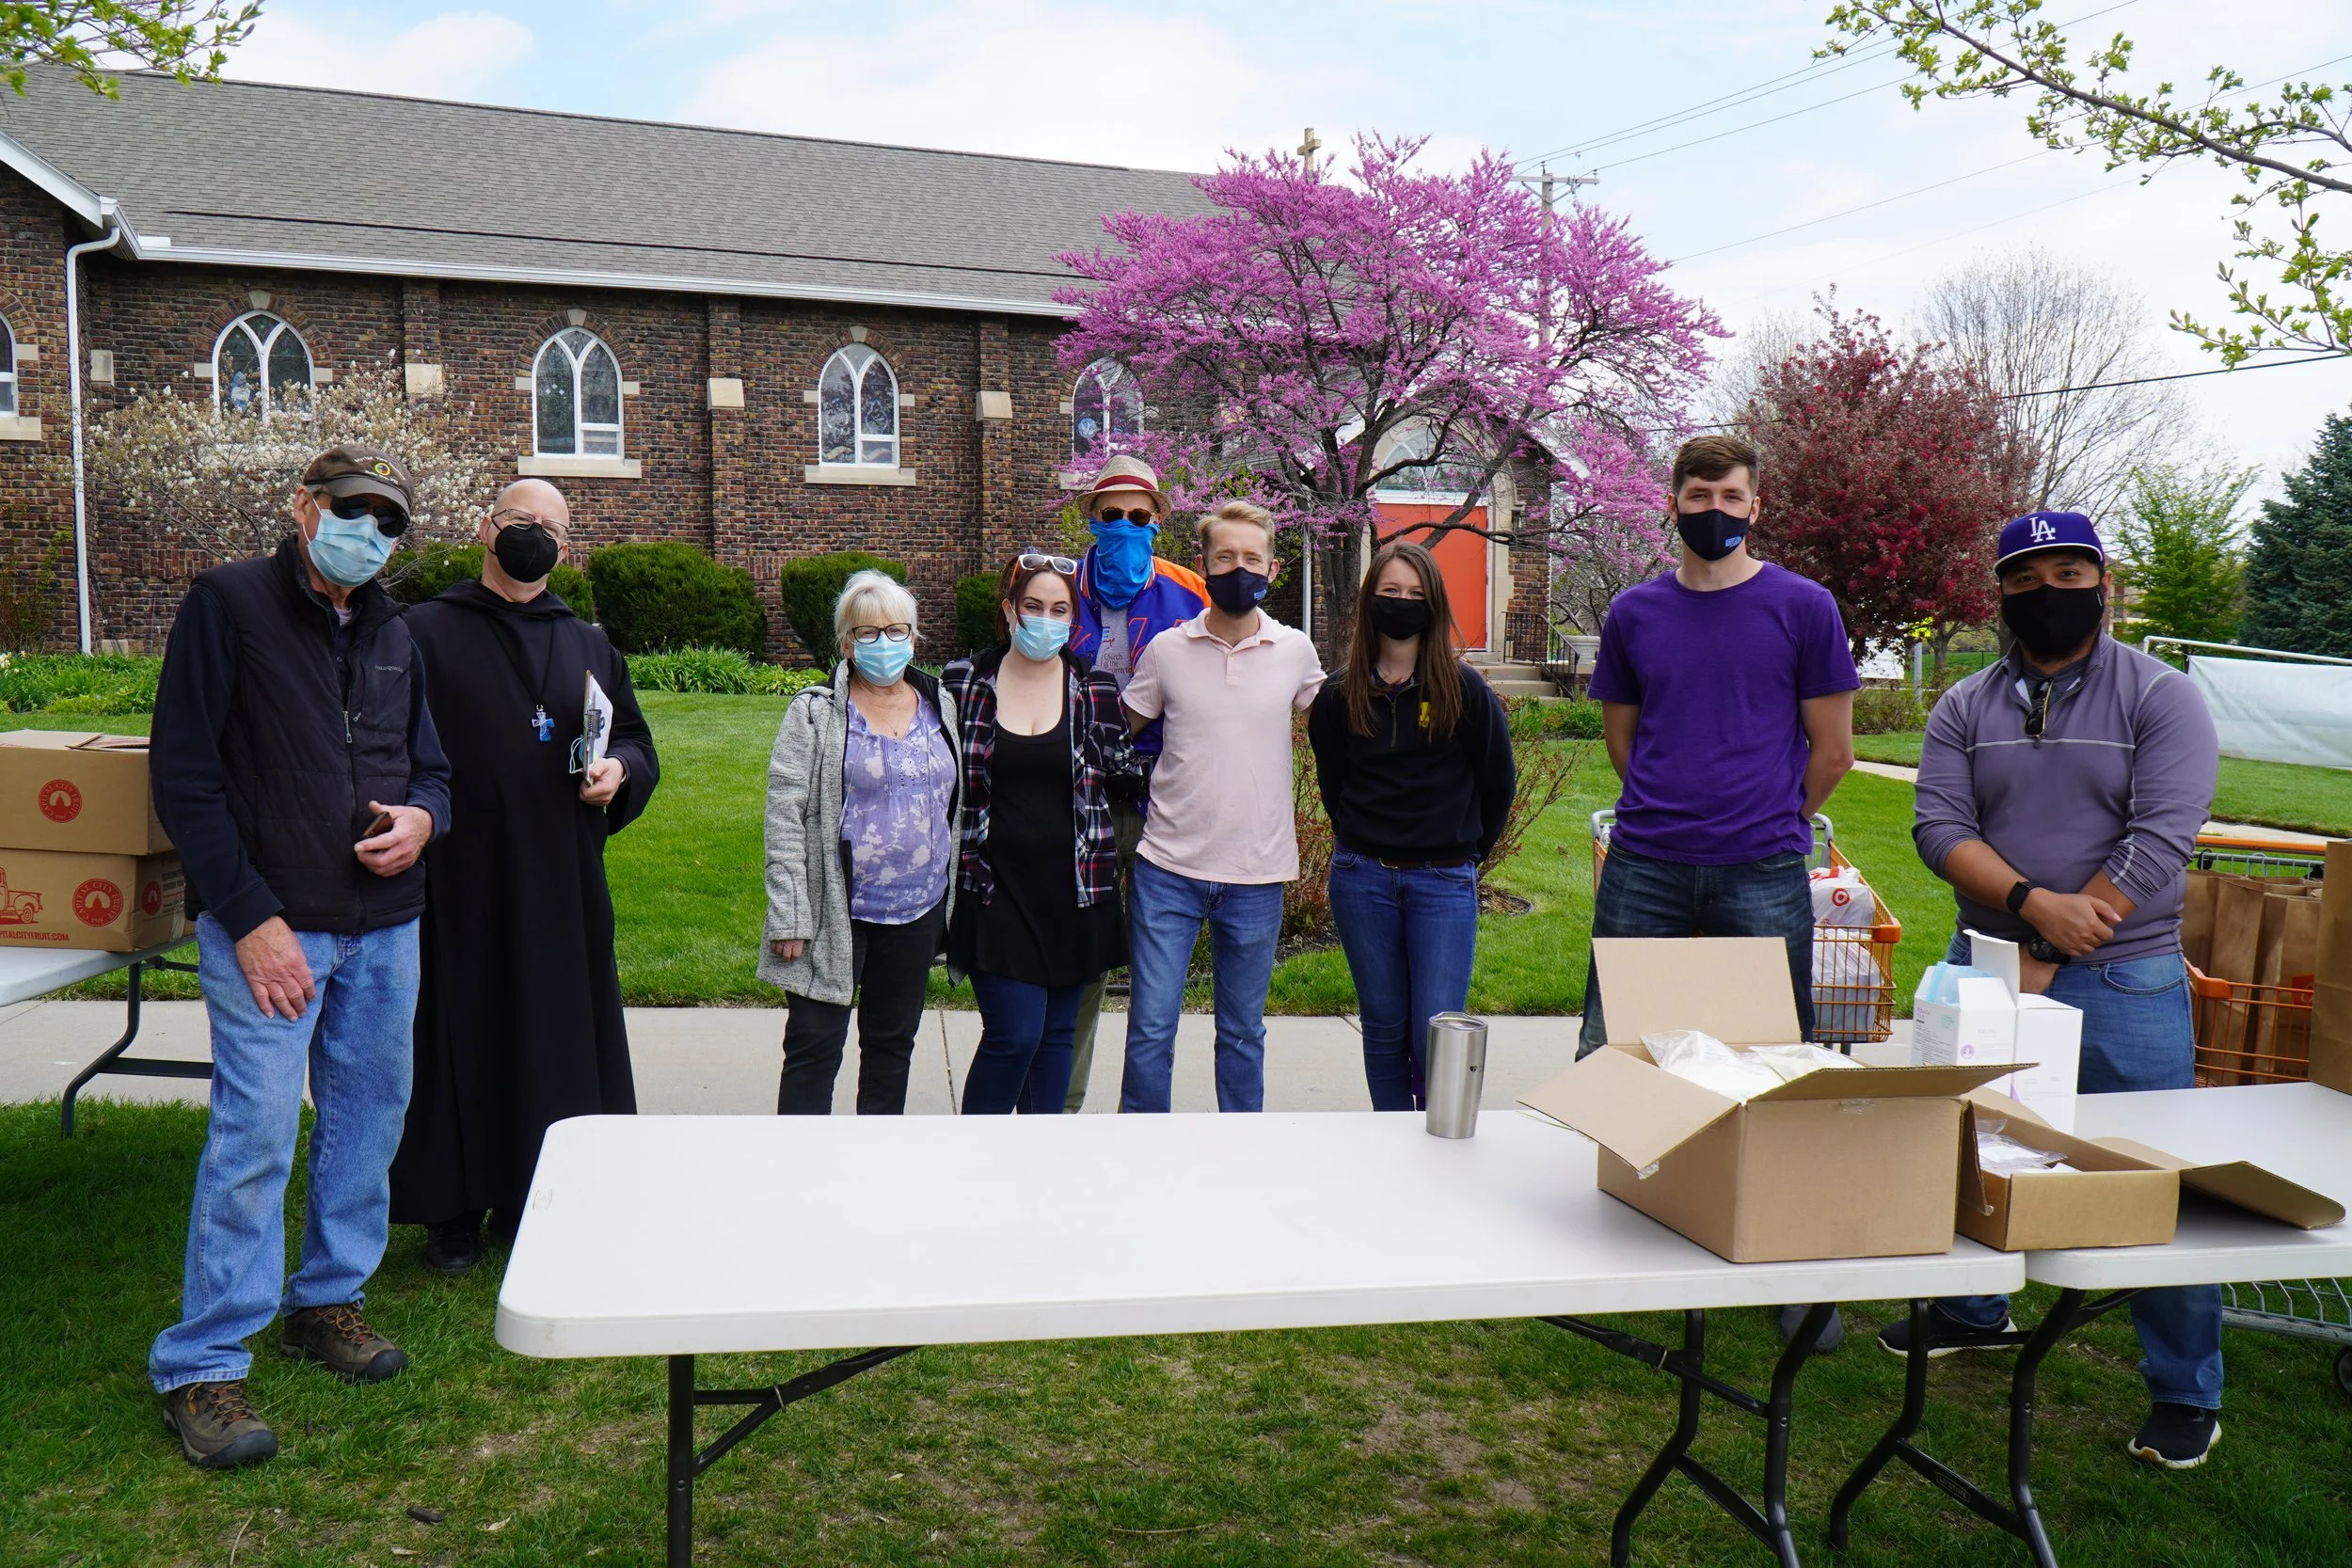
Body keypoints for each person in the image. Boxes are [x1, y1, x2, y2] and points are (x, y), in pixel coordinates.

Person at [146, 443, 452, 1469]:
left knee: (368, 1119)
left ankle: (326, 1300)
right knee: (257, 1136)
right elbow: (184, 777)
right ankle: (201, 1363)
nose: (372, 532)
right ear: (304, 506)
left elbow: (433, 770)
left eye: (390, 521)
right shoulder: (227, 605)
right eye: (355, 510)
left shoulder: (396, 629)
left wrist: (424, 819)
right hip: (271, 927)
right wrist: (249, 917)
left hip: (387, 923)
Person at [1899, 509, 2224, 1469]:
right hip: (1988, 967)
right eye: (2025, 577)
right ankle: (1972, 1308)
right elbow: (1937, 826)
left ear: (2101, 581)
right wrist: (2029, 909)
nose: (2048, 591)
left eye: (2068, 572)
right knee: (1970, 1148)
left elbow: (2163, 833)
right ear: (2001, 593)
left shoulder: (2161, 696)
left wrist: (2061, 933)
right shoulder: (1965, 704)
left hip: (2127, 970)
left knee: (2150, 1176)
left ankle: (2184, 1388)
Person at [1581, 433, 1858, 1353]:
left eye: (1731, 496)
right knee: (1621, 1053)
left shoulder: (1803, 607)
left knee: (1774, 1063)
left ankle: (1790, 1261)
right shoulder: (1635, 612)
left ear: (1755, 506)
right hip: (1646, 866)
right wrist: (1672, 812)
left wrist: (1771, 819)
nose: (1715, 510)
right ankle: (1626, 1235)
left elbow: (1834, 751)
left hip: (1761, 869)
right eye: (1698, 494)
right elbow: (1624, 742)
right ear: (1673, 502)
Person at [389, 479, 660, 1275]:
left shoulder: (589, 644)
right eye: (520, 520)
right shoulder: (422, 632)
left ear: (565, 551)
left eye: (551, 527)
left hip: (559, 877)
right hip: (457, 874)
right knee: (455, 1032)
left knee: (553, 1035)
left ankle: (540, 1195)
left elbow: (636, 741)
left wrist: (620, 771)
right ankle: (451, 1214)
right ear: (486, 528)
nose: (534, 534)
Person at [1118, 500, 1325, 1113]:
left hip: (1257, 874)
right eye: (1226, 556)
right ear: (1203, 564)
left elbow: (1344, 729)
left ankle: (1241, 1151)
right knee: (1150, 1030)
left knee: (1242, 1034)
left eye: (1252, 558)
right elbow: (1115, 732)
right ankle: (1139, 1145)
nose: (1239, 568)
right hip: (1168, 868)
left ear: (1273, 569)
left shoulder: (1295, 651)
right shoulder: (1167, 650)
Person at [1308, 541, 1515, 1111]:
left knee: (1436, 1031)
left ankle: (1440, 1139)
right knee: (1382, 1024)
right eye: (1390, 592)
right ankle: (1392, 1136)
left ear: (1435, 604)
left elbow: (1498, 784)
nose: (1402, 603)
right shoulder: (1339, 693)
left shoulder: (1464, 689)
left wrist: (1463, 853)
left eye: (1415, 594)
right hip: (1362, 878)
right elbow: (1333, 781)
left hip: (1442, 881)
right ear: (1370, 600)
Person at [941, 551, 1142, 1113]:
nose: (1046, 619)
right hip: (992, 889)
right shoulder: (963, 682)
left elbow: (1125, 777)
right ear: (1010, 610)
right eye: (1033, 606)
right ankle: (976, 1153)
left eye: (1059, 609)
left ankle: (1040, 1158)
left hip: (1076, 892)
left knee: (1057, 1039)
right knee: (1014, 1035)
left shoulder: (1094, 688)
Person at [760, 570, 960, 1114]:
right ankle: (803, 1161)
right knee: (814, 1048)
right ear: (847, 644)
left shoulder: (940, 705)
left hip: (917, 909)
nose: (884, 643)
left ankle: (875, 1158)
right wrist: (790, 913)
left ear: (913, 638)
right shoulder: (816, 711)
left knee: (892, 1048)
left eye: (896, 631)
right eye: (867, 633)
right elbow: (785, 816)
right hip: (835, 910)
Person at [1061, 455, 1207, 1110]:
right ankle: (1060, 1108)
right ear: (1091, 517)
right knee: (1082, 959)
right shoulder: (1058, 590)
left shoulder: (1190, 592)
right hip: (1077, 796)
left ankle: (1142, 1115)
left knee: (1156, 965)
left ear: (1159, 520)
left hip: (1161, 798)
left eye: (1139, 516)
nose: (1125, 524)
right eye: (1112, 514)